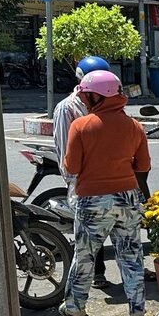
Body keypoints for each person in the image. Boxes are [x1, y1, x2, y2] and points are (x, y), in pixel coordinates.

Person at [59, 70, 151, 316]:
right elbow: (143, 165)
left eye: (86, 96)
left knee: (85, 255)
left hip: (92, 201)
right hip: (128, 198)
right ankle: (136, 311)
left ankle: (75, 308)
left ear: (95, 96)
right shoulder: (135, 127)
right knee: (132, 255)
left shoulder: (81, 126)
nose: (84, 100)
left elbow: (72, 167)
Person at [53, 55, 112, 289]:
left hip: (108, 179)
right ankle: (85, 285)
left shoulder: (106, 103)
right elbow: (64, 149)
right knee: (87, 237)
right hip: (83, 181)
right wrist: (75, 182)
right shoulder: (67, 109)